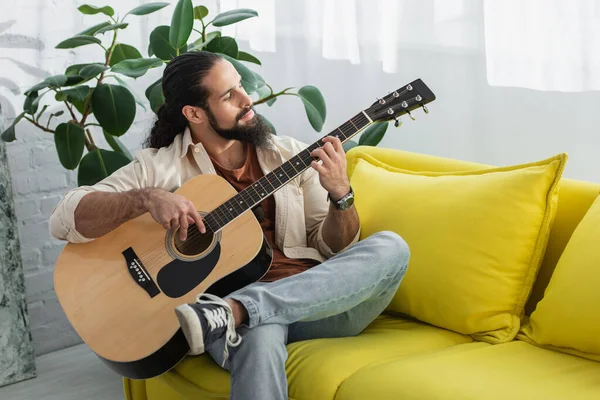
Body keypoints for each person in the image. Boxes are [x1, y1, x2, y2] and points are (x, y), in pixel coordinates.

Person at [49, 51, 410, 400]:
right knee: (257, 334)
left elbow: (334, 249)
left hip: (312, 302)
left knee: (392, 247)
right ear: (194, 113)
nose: (247, 99)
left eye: (241, 86)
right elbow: (66, 217)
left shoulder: (289, 155)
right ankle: (236, 312)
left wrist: (341, 195)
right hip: (216, 311)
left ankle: (237, 309)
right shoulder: (161, 168)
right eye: (230, 95)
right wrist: (146, 198)